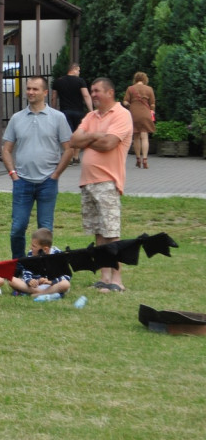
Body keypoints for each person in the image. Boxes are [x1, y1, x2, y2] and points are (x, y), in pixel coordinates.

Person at [71, 77, 133, 293]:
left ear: (110, 92)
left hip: (108, 181)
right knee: (98, 232)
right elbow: (74, 141)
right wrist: (95, 135)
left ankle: (117, 279)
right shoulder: (91, 116)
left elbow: (109, 144)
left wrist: (88, 138)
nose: (93, 94)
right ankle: (104, 276)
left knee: (111, 232)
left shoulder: (122, 115)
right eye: (92, 91)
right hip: (88, 182)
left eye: (97, 91)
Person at [0, 76, 73, 258]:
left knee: (45, 230)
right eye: (28, 89)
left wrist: (56, 175)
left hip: (48, 182)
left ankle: (42, 266)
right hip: (22, 182)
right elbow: (6, 150)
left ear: (45, 92)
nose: (30, 92)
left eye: (35, 89)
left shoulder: (58, 118)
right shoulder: (17, 118)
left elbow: (69, 149)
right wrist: (13, 175)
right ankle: (18, 265)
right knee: (17, 228)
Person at [9, 228, 70, 297]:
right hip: (36, 286)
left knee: (65, 284)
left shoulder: (58, 255)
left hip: (52, 285)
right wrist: (29, 280)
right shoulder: (31, 254)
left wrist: (51, 281)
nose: (31, 248)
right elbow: (26, 270)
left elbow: (66, 275)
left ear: (45, 249)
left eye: (34, 246)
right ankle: (44, 293)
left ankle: (37, 294)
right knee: (11, 280)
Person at [51, 63, 92, 164]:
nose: (79, 73)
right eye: (78, 70)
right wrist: (91, 110)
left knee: (67, 135)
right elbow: (86, 95)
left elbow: (54, 98)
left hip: (65, 112)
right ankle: (76, 156)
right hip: (78, 111)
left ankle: (68, 157)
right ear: (74, 69)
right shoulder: (80, 81)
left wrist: (53, 110)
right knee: (77, 134)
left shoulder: (58, 82)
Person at [123, 71, 156, 169]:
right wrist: (152, 111)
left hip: (134, 114)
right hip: (145, 113)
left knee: (136, 137)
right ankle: (145, 160)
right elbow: (152, 104)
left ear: (135, 79)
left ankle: (138, 159)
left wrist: (130, 105)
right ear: (145, 79)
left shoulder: (130, 89)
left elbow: (125, 102)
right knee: (145, 137)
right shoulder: (149, 89)